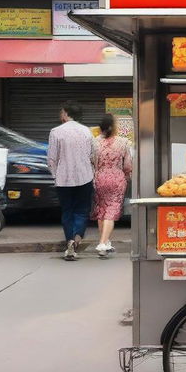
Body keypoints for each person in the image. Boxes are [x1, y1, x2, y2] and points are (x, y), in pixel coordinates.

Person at [47, 101, 95, 261]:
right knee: (81, 210)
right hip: (85, 177)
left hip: (63, 179)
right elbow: (93, 155)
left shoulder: (56, 132)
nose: (60, 115)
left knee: (67, 211)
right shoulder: (86, 132)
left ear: (66, 113)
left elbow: (51, 159)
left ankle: (69, 241)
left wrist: (56, 175)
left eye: (61, 112)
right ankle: (76, 239)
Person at [91, 113, 132, 258]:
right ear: (114, 127)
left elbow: (91, 162)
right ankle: (102, 242)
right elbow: (127, 165)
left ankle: (105, 242)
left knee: (101, 210)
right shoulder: (123, 142)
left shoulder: (94, 142)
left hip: (99, 178)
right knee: (111, 211)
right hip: (116, 178)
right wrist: (127, 176)